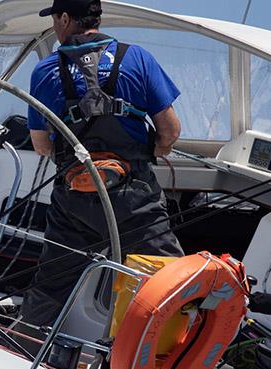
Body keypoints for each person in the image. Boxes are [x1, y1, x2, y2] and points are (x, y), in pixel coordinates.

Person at [17, 0, 184, 346]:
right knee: (166, 277)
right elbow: (170, 131)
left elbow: (41, 145)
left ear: (65, 18)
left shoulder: (47, 71)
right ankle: (158, 358)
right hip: (133, 194)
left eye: (55, 20)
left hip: (75, 195)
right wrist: (149, 151)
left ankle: (23, 344)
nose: (55, 28)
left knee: (54, 278)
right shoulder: (137, 59)